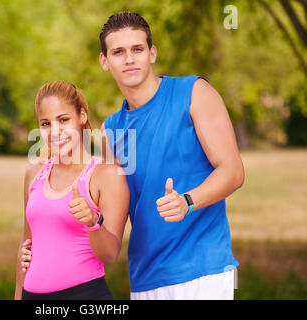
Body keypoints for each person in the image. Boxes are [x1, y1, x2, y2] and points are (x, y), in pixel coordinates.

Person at [97, 12, 245, 300]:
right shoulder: (109, 132)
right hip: (145, 277)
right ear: (105, 61)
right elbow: (109, 222)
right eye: (118, 52)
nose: (129, 59)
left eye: (137, 49)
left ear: (152, 53)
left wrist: (188, 202)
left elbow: (233, 171)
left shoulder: (193, 92)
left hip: (203, 270)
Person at [14, 81, 129, 300]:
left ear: (82, 117)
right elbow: (26, 247)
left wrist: (92, 221)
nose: (55, 131)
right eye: (46, 123)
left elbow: (110, 254)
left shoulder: (106, 175)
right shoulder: (34, 174)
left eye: (63, 120)